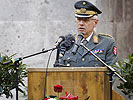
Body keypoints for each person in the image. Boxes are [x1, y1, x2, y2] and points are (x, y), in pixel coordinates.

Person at [55, 0, 117, 67]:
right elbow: (58, 70)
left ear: (95, 22)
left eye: (86, 20)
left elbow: (114, 72)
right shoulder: (67, 43)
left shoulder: (106, 43)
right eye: (79, 19)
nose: (81, 23)